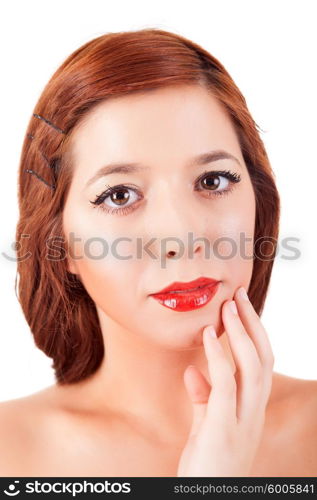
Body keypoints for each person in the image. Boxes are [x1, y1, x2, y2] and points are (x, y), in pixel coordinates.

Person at [0, 28, 316, 477]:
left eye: (212, 181)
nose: (182, 236)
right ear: (58, 243)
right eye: (120, 195)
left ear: (260, 206)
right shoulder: (9, 454)